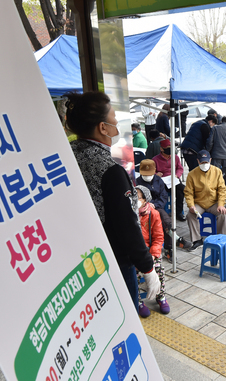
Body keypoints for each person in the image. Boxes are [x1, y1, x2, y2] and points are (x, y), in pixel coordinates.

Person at [64, 91, 160, 318]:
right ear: (103, 128)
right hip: (113, 260)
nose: (117, 123)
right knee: (122, 318)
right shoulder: (112, 171)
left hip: (81, 257)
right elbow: (127, 225)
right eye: (114, 118)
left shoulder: (68, 156)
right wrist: (147, 268)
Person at [136, 159, 191, 260]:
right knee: (165, 221)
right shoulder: (137, 183)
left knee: (165, 221)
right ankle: (175, 242)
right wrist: (147, 204)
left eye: (150, 173)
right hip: (143, 209)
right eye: (145, 174)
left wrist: (154, 204)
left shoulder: (158, 180)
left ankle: (171, 245)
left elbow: (164, 196)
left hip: (157, 207)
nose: (147, 176)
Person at [134, 185, 170, 314]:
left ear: (145, 200)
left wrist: (153, 255)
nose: (135, 200)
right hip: (135, 252)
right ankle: (137, 300)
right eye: (134, 197)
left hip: (150, 251)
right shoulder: (129, 214)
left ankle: (161, 296)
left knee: (159, 269)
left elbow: (158, 237)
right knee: (134, 273)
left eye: (138, 198)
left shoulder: (153, 214)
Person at [184, 150, 226, 251]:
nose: (205, 164)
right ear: (198, 161)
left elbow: (222, 189)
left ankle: (221, 238)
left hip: (213, 203)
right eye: (202, 162)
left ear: (210, 160)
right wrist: (191, 205)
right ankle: (197, 240)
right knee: (190, 215)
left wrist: (221, 204)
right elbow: (188, 192)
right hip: (199, 203)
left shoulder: (217, 171)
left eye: (206, 162)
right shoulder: (192, 174)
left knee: (223, 214)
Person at [152, 139, 187, 221]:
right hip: (162, 181)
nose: (170, 149)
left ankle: (178, 212)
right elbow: (152, 171)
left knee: (181, 190)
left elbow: (180, 168)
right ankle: (162, 212)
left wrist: (177, 175)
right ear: (161, 149)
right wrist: (156, 175)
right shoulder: (155, 159)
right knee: (161, 193)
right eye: (167, 148)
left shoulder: (175, 157)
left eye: (171, 147)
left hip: (173, 179)